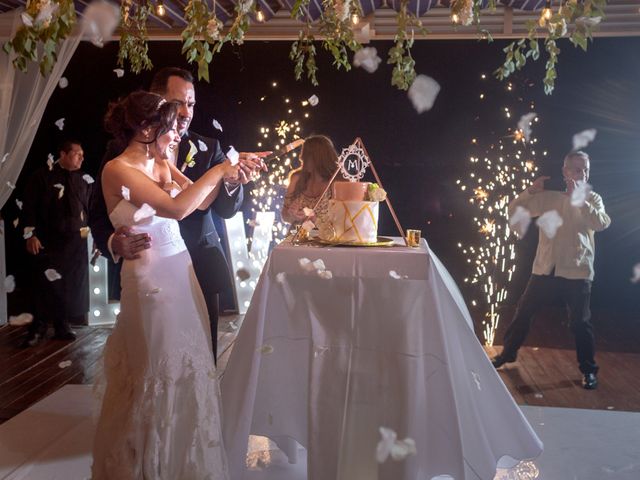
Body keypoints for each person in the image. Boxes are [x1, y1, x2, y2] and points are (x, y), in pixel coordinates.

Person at [92, 91, 236, 479]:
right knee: (155, 370)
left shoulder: (162, 160)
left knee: (188, 366)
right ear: (144, 128)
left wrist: (230, 175)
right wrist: (220, 170)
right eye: (169, 127)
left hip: (181, 272)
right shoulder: (116, 169)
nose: (176, 134)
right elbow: (174, 208)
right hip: (149, 278)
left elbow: (199, 203)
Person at [89, 67, 267, 359]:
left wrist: (231, 179)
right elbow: (98, 210)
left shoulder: (208, 147)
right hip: (147, 270)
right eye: (178, 103)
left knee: (201, 361)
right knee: (151, 358)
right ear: (154, 104)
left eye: (192, 104)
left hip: (196, 266)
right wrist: (112, 243)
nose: (185, 112)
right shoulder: (119, 156)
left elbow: (217, 205)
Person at [492, 151, 611, 390]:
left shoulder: (593, 198)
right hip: (545, 268)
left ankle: (588, 371)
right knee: (523, 312)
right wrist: (530, 192)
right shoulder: (549, 198)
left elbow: (601, 223)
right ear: (565, 172)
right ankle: (508, 354)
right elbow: (514, 211)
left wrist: (579, 200)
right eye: (577, 169)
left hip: (577, 271)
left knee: (580, 323)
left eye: (585, 169)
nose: (582, 174)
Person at [21, 140, 92, 347]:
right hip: (48, 241)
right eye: (76, 154)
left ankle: (62, 325)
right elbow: (29, 208)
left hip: (75, 243)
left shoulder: (83, 180)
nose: (81, 158)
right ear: (63, 153)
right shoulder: (41, 177)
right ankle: (38, 327)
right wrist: (30, 235)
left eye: (82, 154)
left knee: (68, 285)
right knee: (45, 284)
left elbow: (88, 210)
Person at [282, 134, 338, 225]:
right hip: (297, 236)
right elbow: (285, 217)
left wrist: (313, 219)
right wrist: (291, 214)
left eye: (306, 155)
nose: (301, 158)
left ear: (319, 158)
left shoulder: (335, 183)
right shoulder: (296, 178)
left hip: (324, 238)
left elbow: (340, 223)